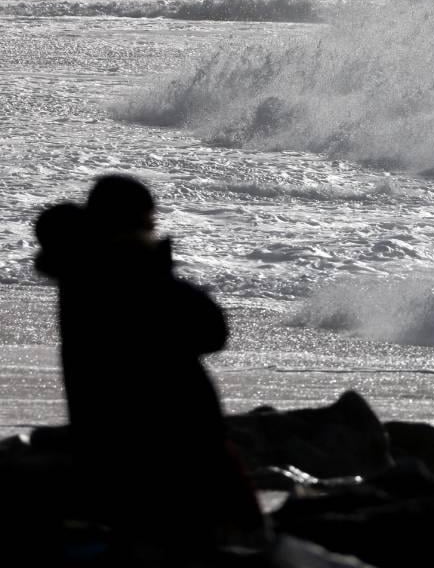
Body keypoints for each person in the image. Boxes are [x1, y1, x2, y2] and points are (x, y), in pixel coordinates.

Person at [34, 175, 265, 560]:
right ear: (134, 221)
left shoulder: (80, 272)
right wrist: (154, 264)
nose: (154, 228)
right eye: (149, 220)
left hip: (114, 446)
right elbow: (209, 329)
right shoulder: (125, 274)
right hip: (170, 447)